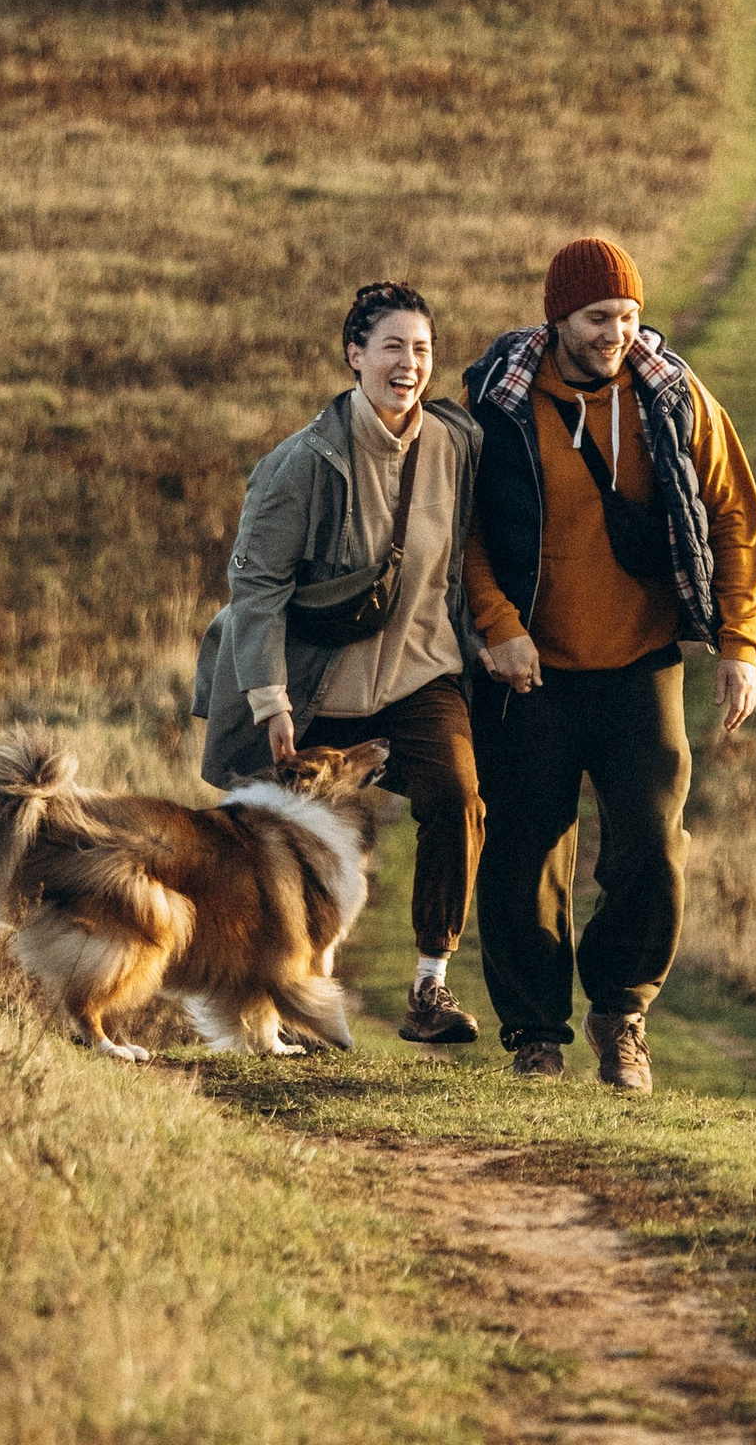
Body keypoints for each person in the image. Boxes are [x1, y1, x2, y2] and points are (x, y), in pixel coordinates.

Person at [461, 235, 756, 1091]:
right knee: (524, 852)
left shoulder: (675, 398)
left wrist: (741, 647)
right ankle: (533, 1035)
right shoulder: (498, 401)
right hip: (528, 668)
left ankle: (621, 1012)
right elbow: (466, 533)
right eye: (599, 318)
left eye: (629, 317)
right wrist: (496, 626)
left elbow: (736, 517)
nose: (617, 334)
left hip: (642, 661)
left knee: (652, 842)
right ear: (557, 316)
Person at [195, 281, 489, 1045]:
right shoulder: (301, 463)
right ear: (355, 356)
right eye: (392, 346)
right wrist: (269, 695)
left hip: (422, 672)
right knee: (270, 840)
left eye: (422, 349)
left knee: (457, 798)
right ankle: (281, 990)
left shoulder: (455, 445)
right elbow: (256, 584)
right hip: (320, 684)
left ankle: (430, 985)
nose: (409, 364)